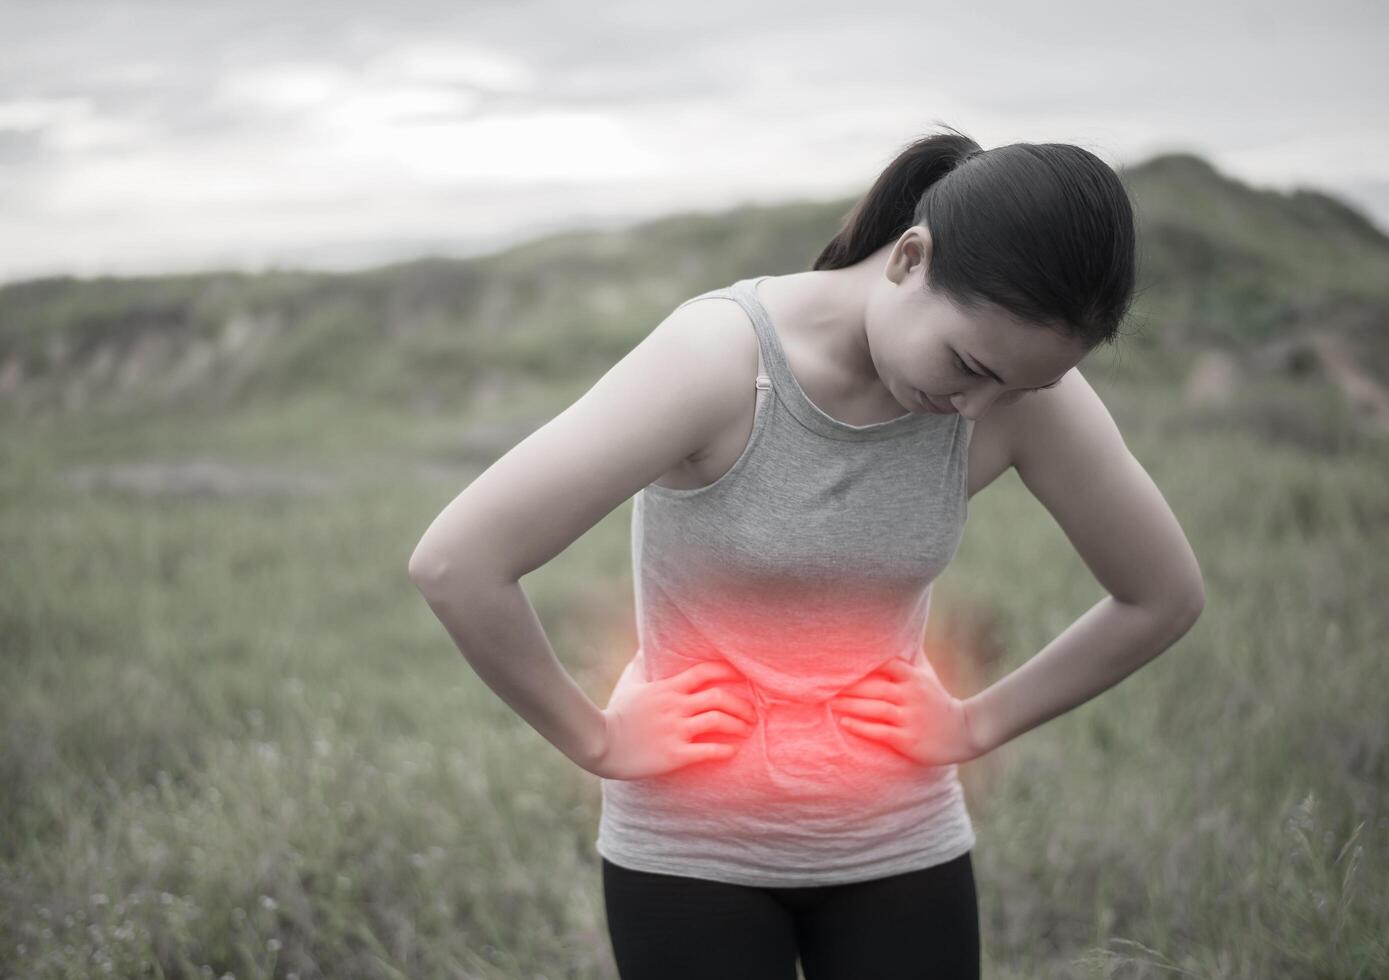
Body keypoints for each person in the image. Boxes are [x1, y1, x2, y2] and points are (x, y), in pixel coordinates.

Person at [407, 124, 1206, 979]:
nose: (980, 409)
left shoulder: (1013, 394)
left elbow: (1160, 595)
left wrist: (976, 723)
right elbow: (460, 561)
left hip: (903, 841)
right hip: (690, 856)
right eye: (968, 366)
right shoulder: (720, 358)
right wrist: (596, 742)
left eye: (1023, 385)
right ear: (908, 258)